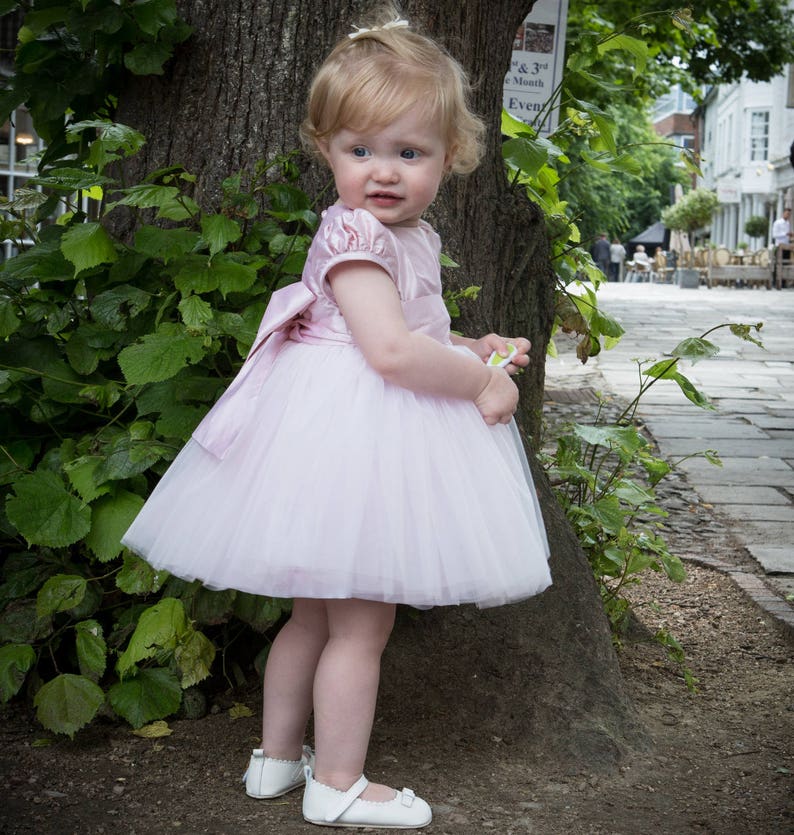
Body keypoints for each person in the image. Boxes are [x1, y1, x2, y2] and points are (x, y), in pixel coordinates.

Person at [121, 7, 551, 831]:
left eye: (409, 152)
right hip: (352, 436)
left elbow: (411, 329)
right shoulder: (354, 231)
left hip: (346, 433)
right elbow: (389, 353)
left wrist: (473, 342)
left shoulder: (408, 233)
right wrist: (477, 384)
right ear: (326, 149)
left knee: (313, 614)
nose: (383, 171)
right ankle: (339, 782)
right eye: (361, 150)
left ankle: (277, 761)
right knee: (361, 621)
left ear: (449, 158)